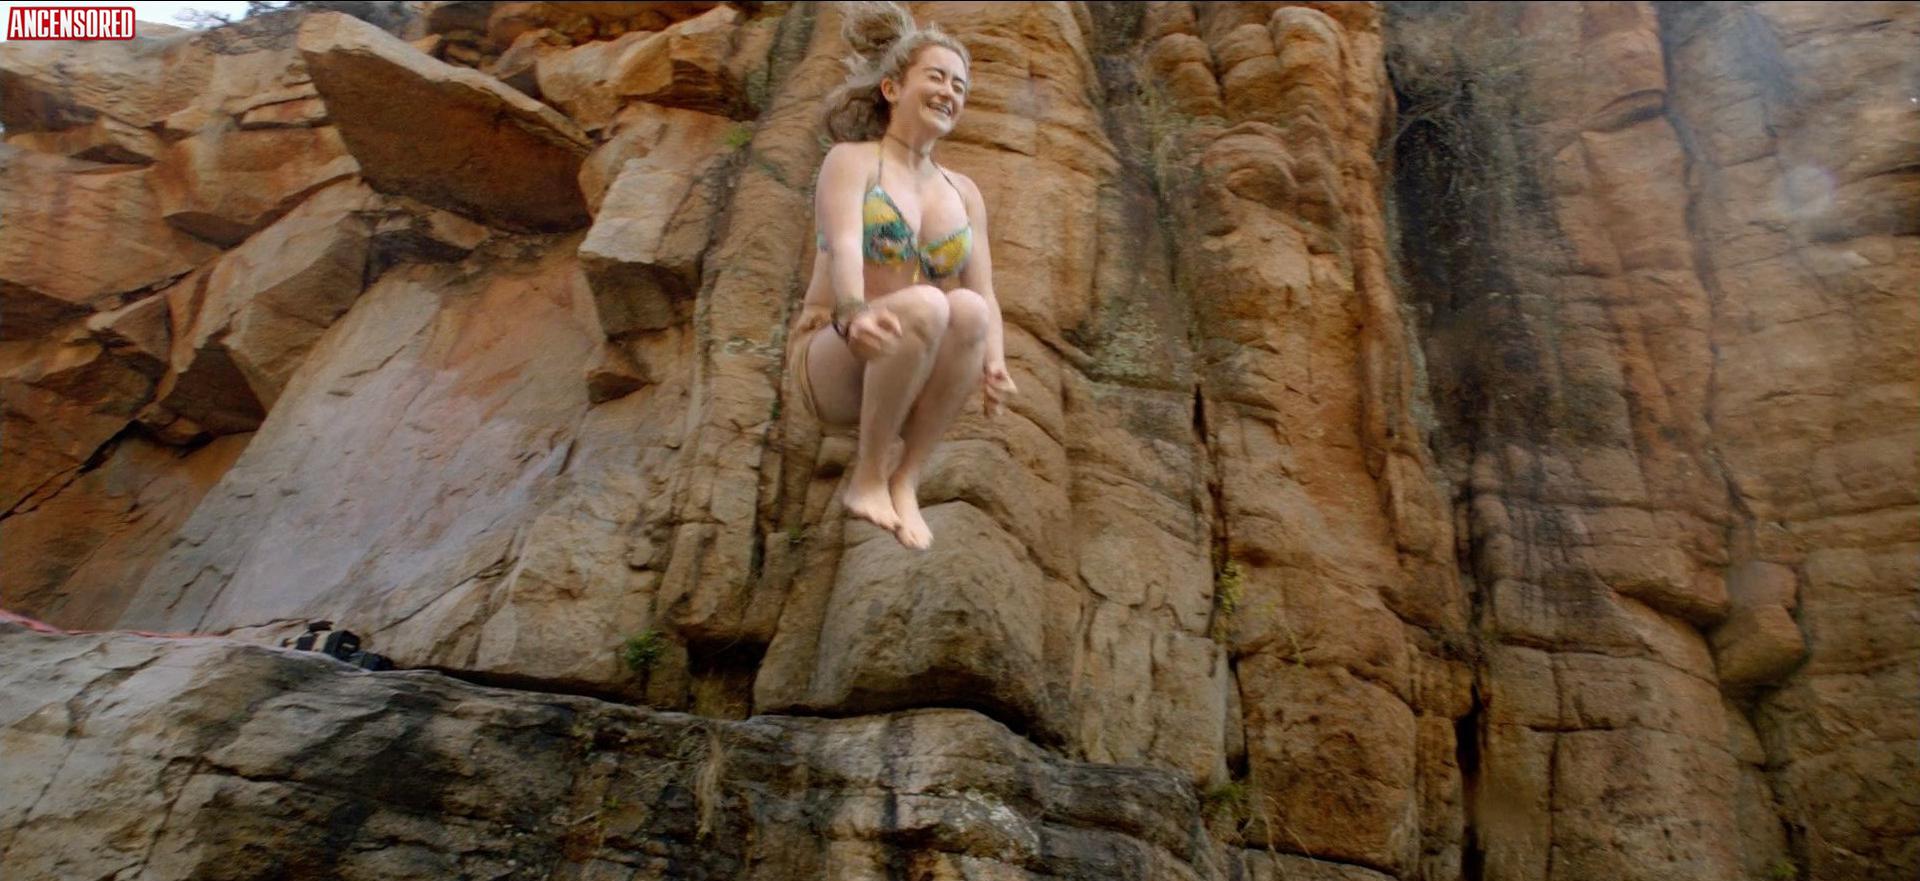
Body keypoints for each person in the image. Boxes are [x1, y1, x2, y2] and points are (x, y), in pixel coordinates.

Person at [785, 1, 1016, 551]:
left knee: (968, 310)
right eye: (936, 77)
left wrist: (995, 364)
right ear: (892, 88)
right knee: (929, 303)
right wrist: (852, 313)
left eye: (959, 85)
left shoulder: (964, 193)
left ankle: (905, 478)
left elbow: (984, 291)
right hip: (835, 350)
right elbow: (846, 244)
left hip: (910, 364)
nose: (949, 92)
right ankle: (867, 476)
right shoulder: (852, 161)